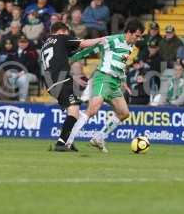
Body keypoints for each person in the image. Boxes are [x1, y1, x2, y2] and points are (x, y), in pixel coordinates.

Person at [66, 19, 145, 153]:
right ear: (129, 33)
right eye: (137, 35)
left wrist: (123, 81)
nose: (138, 38)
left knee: (124, 113)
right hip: (103, 77)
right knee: (92, 110)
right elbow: (92, 49)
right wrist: (70, 60)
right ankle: (67, 141)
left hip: (115, 82)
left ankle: (99, 137)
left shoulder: (130, 46)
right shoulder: (112, 40)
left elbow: (120, 64)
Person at [41, 22, 103, 152]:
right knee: (74, 111)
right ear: (62, 31)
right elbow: (84, 43)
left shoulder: (45, 44)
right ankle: (61, 143)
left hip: (50, 83)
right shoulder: (62, 38)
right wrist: (102, 40)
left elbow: (65, 56)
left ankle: (68, 141)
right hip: (61, 80)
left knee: (74, 112)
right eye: (66, 32)